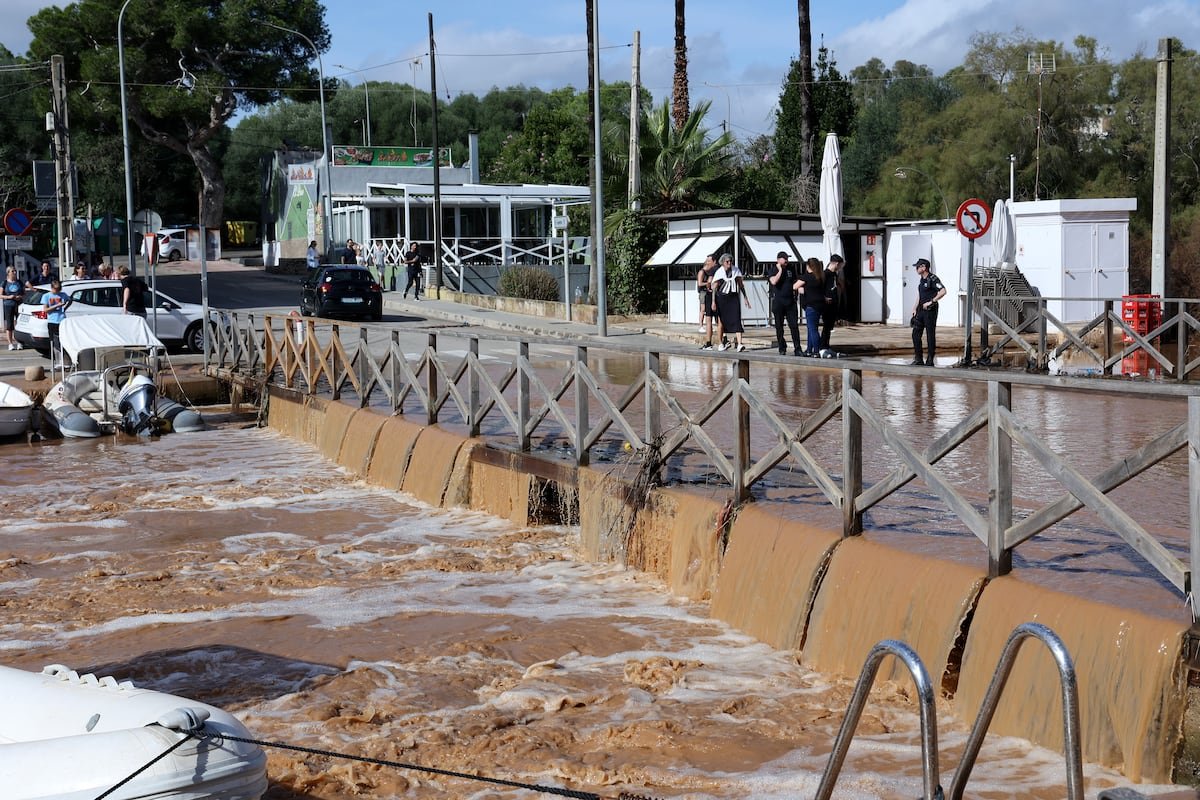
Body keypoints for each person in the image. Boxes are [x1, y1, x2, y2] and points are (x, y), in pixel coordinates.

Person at [711, 253, 751, 352]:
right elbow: (714, 288)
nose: (729, 263)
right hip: (722, 298)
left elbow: (740, 284)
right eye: (727, 261)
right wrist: (713, 302)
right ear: (723, 263)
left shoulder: (735, 270)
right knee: (721, 321)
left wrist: (745, 297)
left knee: (737, 319)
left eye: (730, 261)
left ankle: (740, 343)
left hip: (733, 297)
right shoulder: (719, 272)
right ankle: (720, 343)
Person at [910, 257, 946, 366]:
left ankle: (930, 360)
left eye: (917, 267)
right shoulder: (922, 279)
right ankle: (918, 358)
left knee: (930, 335)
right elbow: (920, 295)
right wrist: (914, 308)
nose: (916, 269)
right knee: (915, 333)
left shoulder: (933, 278)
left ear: (923, 267)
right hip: (920, 310)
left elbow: (943, 291)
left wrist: (931, 301)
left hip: (930, 310)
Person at [768, 251, 802, 356]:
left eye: (787, 258)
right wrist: (780, 270)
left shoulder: (791, 269)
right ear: (778, 260)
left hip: (790, 302)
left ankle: (797, 348)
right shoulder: (773, 270)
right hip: (778, 302)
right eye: (784, 258)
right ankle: (782, 347)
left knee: (794, 326)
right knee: (779, 327)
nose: (786, 260)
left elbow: (795, 282)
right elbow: (774, 281)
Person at [795, 257, 826, 357]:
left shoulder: (807, 277)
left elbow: (794, 286)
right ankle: (809, 349)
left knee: (812, 329)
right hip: (820, 305)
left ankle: (816, 351)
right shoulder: (820, 276)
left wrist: (801, 289)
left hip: (811, 306)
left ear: (808, 266)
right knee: (812, 328)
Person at [820, 254, 845, 353]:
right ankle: (823, 345)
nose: (840, 268)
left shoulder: (834, 274)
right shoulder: (825, 274)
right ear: (836, 264)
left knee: (830, 326)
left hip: (834, 301)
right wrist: (824, 297)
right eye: (840, 266)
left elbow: (838, 284)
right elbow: (820, 287)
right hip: (827, 303)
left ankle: (826, 345)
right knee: (826, 326)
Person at [697, 254, 723, 350]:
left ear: (714, 261)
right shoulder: (721, 269)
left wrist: (708, 285)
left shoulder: (712, 270)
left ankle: (709, 343)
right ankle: (722, 341)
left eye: (709, 261)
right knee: (719, 320)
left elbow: (710, 283)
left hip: (711, 297)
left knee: (709, 320)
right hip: (720, 296)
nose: (707, 262)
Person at [44, 278, 69, 366]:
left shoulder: (63, 295)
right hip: (52, 321)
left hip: (61, 320)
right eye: (55, 290)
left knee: (63, 341)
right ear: (52, 288)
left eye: (59, 289)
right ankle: (57, 361)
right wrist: (57, 305)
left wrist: (65, 307)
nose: (57, 291)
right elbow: (46, 310)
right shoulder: (47, 296)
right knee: (53, 342)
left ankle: (65, 361)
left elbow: (69, 300)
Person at [2, 267, 23, 350]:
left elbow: (23, 293)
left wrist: (19, 297)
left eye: (15, 271)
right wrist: (8, 297)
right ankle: (10, 343)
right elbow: (0, 295)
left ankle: (19, 342)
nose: (14, 272)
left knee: (19, 324)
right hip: (8, 305)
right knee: (9, 324)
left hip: (18, 304)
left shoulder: (19, 282)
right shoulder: (4, 283)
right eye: (12, 271)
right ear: (8, 273)